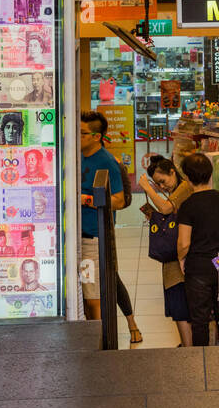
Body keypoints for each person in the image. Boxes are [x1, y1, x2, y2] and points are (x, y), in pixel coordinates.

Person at [79, 111, 141, 343]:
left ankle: (100, 346)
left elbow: (120, 200)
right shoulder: (78, 157)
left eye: (83, 133)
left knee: (94, 296)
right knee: (86, 294)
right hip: (79, 237)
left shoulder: (106, 162)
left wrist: (86, 199)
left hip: (94, 239)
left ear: (96, 137)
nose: (78, 136)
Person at [176, 151, 219, 347]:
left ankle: (201, 359)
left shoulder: (187, 206)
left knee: (200, 319)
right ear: (210, 174)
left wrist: (181, 259)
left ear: (187, 178)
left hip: (199, 268)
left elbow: (183, 243)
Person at [139, 155, 194, 347]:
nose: (162, 187)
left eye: (163, 181)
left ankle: (188, 347)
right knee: (176, 302)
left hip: (182, 257)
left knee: (180, 304)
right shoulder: (176, 191)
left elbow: (165, 208)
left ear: (173, 171)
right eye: (158, 184)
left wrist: (147, 188)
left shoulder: (185, 187)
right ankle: (186, 344)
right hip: (172, 258)